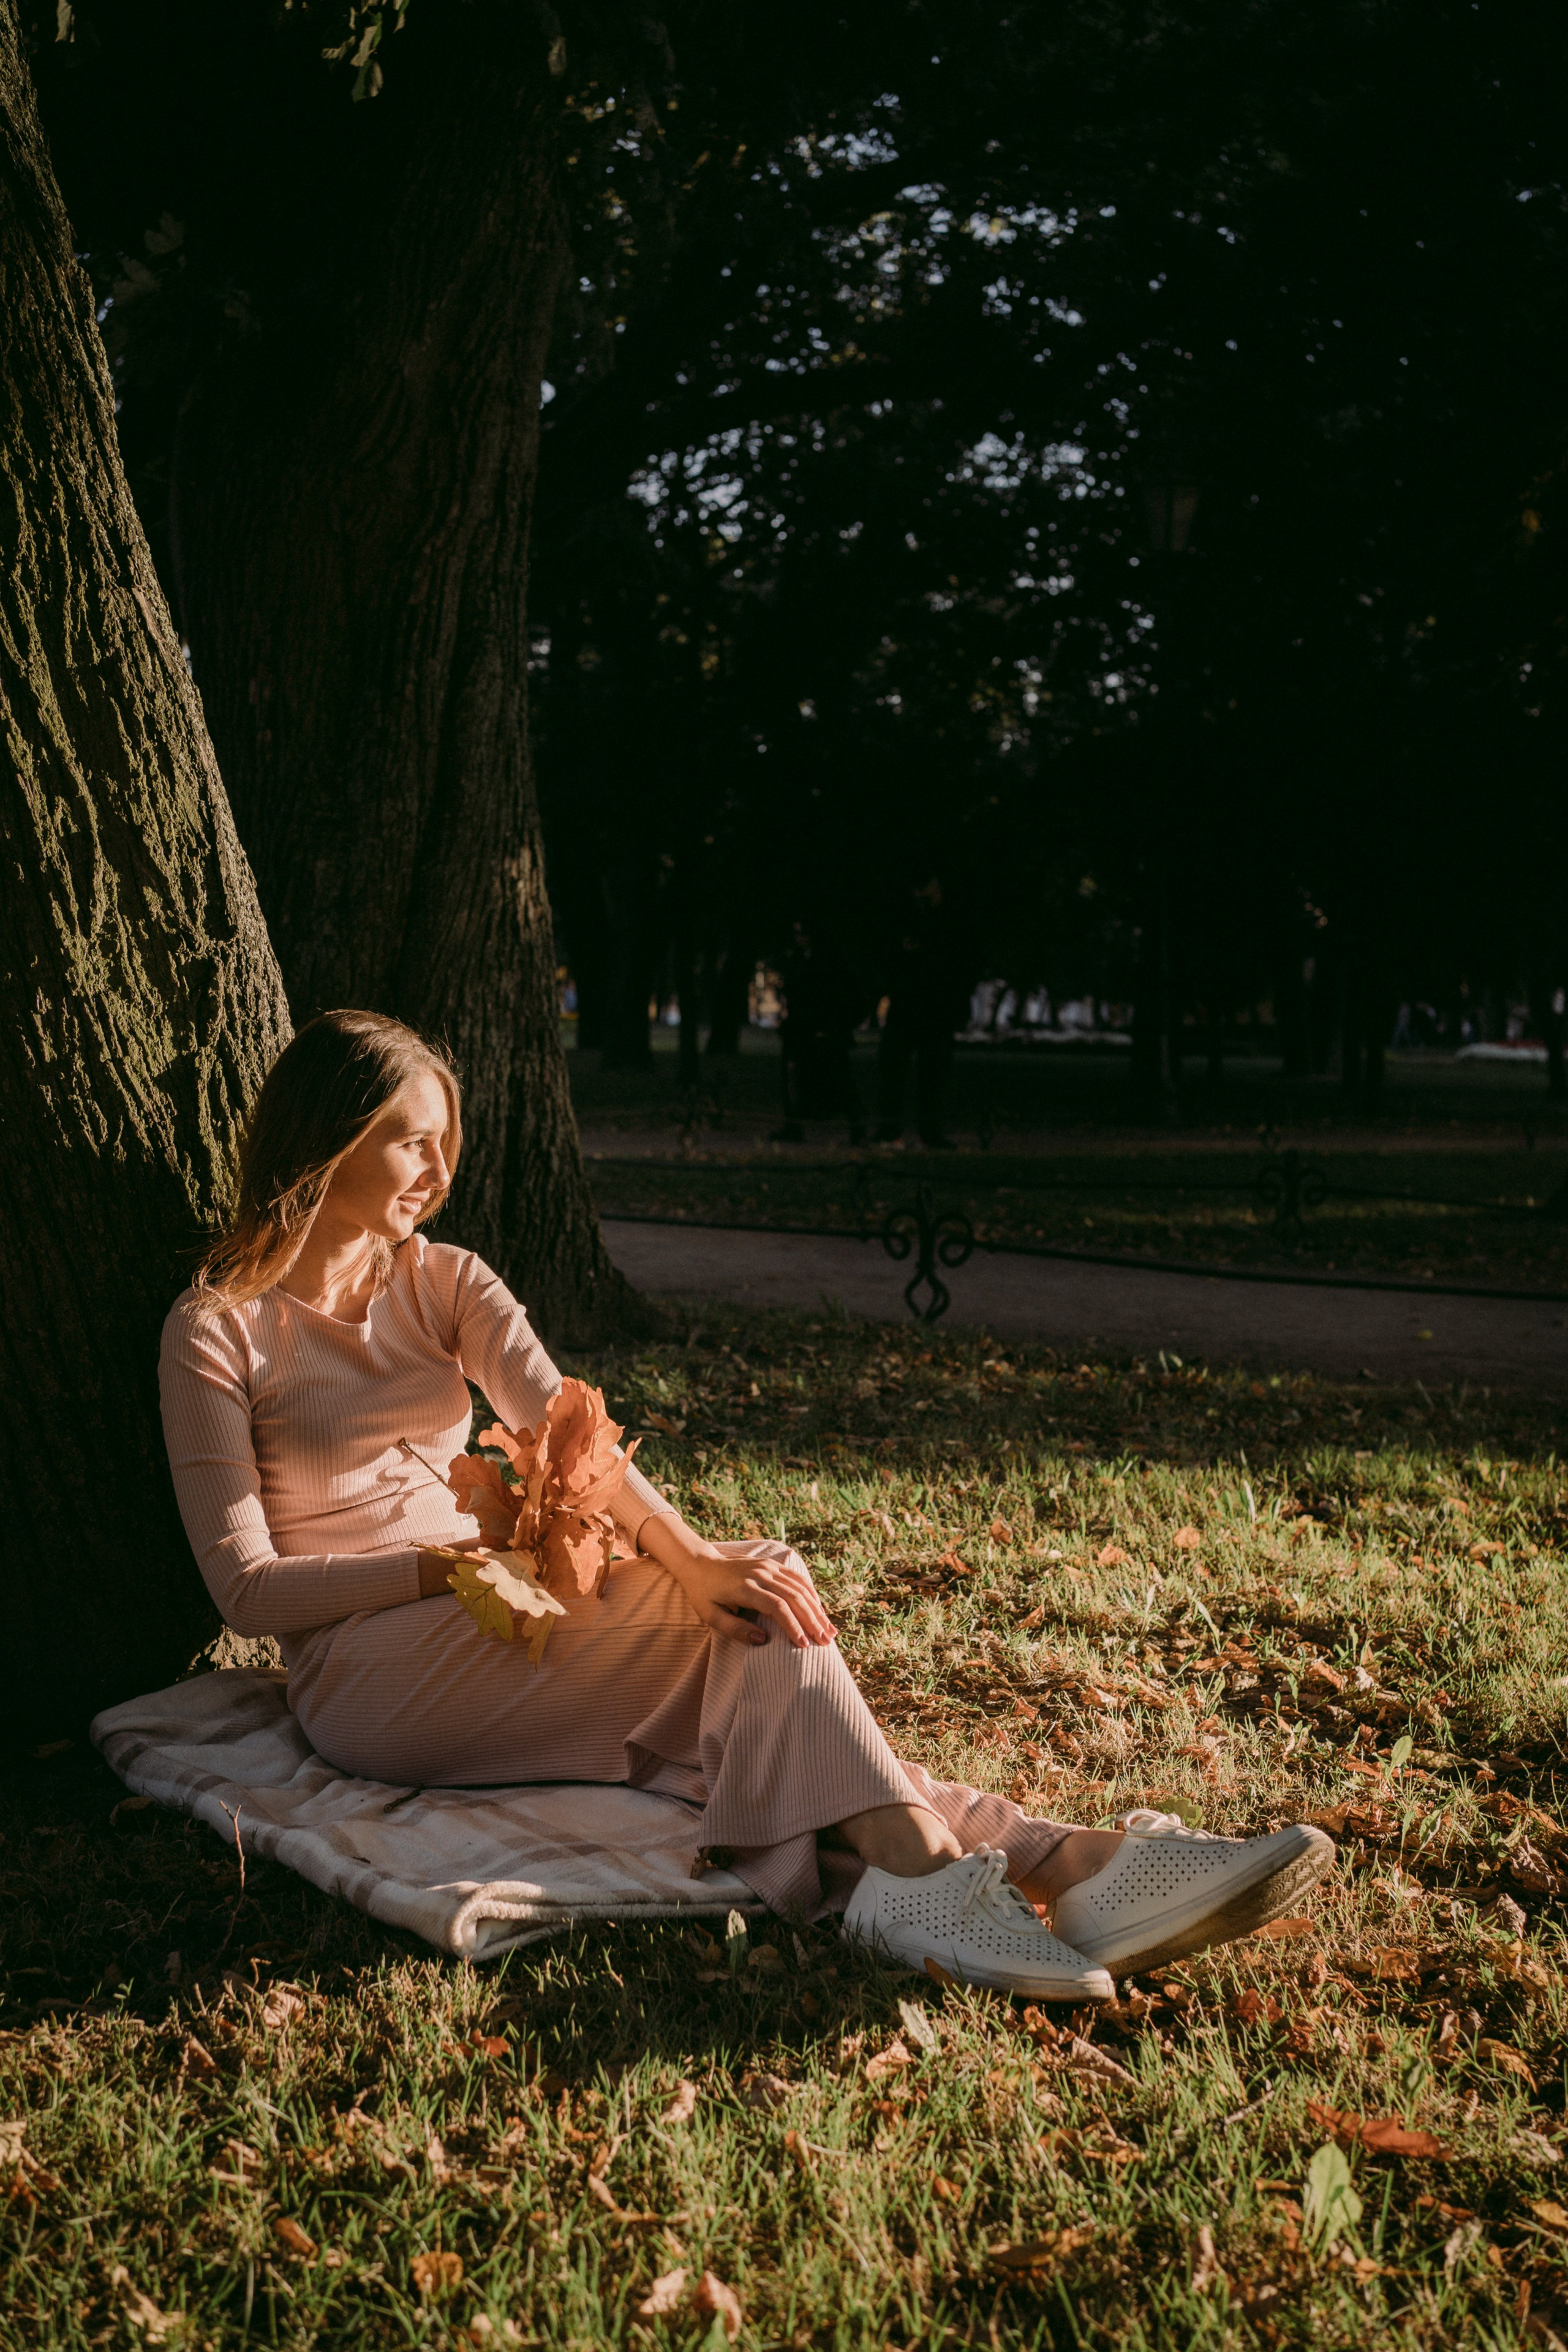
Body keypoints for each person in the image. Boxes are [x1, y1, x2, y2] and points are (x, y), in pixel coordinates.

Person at [160, 1010, 1332, 1996]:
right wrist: (443, 1570)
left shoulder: (448, 1278)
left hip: (505, 1608)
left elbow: (578, 1441)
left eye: (446, 1143)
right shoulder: (216, 1328)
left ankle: (987, 1870)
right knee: (744, 1649)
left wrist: (694, 1555)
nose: (441, 1172)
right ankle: (1024, 1868)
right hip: (365, 1674)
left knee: (749, 1605)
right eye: (412, 1144)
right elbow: (246, 1588)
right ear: (332, 1141)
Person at [873, 878, 974, 1148]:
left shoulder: (948, 921)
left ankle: (927, 1130)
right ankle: (893, 1128)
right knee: (893, 1067)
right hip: (909, 1005)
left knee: (931, 1073)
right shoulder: (912, 918)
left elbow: (959, 963)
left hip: (935, 1008)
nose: (918, 892)